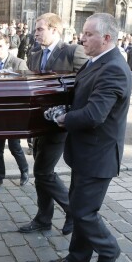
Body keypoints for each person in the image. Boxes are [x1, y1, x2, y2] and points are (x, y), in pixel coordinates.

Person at [49, 12, 130, 262]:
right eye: (83, 33)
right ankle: (79, 257)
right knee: (79, 205)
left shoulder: (114, 68)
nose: (81, 38)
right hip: (86, 152)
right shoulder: (97, 61)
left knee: (84, 211)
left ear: (106, 38)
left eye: (88, 34)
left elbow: (95, 114)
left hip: (99, 155)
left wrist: (64, 119)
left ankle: (109, 250)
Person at [20, 13, 87, 236]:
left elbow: (87, 83)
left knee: (42, 171)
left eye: (40, 29)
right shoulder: (35, 54)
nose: (35, 33)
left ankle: (72, 212)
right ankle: (43, 218)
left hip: (60, 124)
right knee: (41, 174)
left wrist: (73, 113)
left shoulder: (72, 52)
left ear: (54, 30)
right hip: (40, 124)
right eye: (36, 29)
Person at [0, 33, 29, 189]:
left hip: (13, 113)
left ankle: (24, 172)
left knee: (14, 146)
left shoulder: (18, 63)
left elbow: (26, 88)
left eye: (0, 46)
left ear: (7, 46)